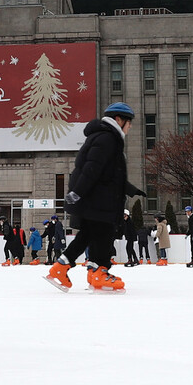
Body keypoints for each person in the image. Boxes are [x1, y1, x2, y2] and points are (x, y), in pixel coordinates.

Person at [45, 103, 145, 293]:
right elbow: (93, 167)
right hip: (100, 200)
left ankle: (64, 268)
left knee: (89, 235)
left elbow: (110, 173)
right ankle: (98, 272)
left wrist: (130, 189)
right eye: (129, 122)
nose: (130, 127)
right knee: (104, 234)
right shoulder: (107, 138)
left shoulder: (105, 138)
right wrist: (78, 192)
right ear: (119, 120)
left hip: (98, 198)